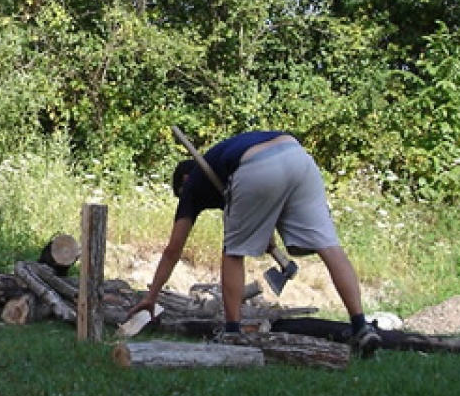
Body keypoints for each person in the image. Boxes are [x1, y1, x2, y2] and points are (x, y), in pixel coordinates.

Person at [129, 131, 382, 357]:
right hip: (298, 156)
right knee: (329, 246)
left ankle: (232, 333)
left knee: (233, 253)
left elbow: (173, 250)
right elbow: (260, 207)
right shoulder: (222, 164)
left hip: (255, 166)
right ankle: (360, 326)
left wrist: (151, 297)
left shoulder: (193, 183)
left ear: (184, 180)